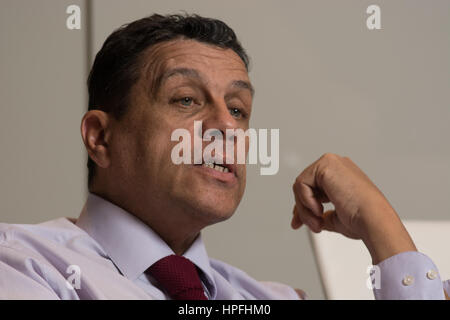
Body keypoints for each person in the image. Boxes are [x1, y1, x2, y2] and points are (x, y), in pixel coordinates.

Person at [0, 13, 448, 300]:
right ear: (100, 137)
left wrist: (382, 226)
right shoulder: (24, 267)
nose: (226, 127)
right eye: (186, 100)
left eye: (238, 110)